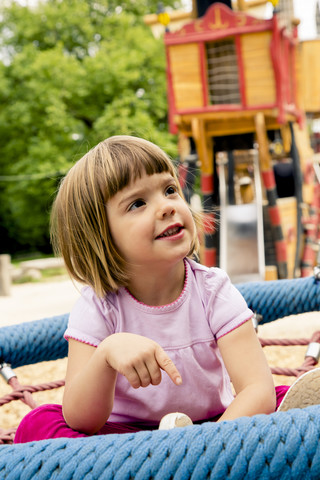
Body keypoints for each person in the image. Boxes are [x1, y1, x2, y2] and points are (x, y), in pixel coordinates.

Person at [14, 135, 319, 443]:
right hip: (126, 438)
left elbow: (256, 389)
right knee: (39, 423)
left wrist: (203, 445)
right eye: (137, 203)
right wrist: (106, 355)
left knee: (282, 397)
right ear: (100, 236)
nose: (166, 207)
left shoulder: (212, 290)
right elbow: (82, 420)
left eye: (170, 190)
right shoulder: (99, 306)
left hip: (215, 425)